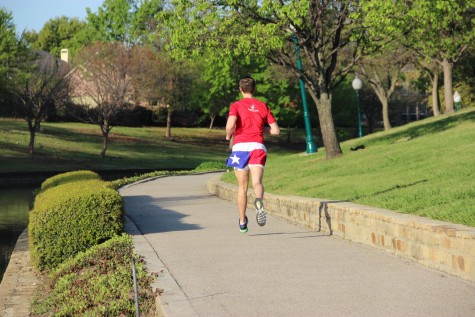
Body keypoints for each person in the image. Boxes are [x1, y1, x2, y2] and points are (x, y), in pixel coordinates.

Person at [225, 76, 280, 233]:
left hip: (241, 147)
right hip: (257, 146)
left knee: (242, 188)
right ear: (254, 89)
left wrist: (229, 135)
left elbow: (230, 125)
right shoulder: (262, 106)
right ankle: (259, 202)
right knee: (257, 182)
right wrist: (261, 129)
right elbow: (275, 131)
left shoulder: (236, 105)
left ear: (240, 89)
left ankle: (242, 222)